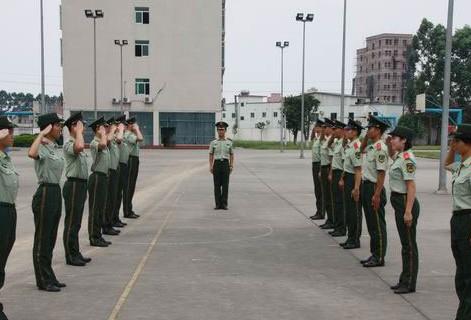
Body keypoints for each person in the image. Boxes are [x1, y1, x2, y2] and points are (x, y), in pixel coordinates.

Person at [28, 113, 66, 292]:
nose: (60, 128)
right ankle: (42, 279)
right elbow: (31, 153)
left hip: (55, 192)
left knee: (50, 237)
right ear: (49, 128)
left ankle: (49, 274)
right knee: (42, 238)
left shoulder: (53, 147)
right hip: (44, 193)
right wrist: (41, 134)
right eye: (58, 125)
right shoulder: (41, 146)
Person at [386, 126, 420, 294]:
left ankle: (409, 282)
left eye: (395, 138)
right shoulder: (399, 156)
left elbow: (411, 186)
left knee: (409, 245)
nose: (392, 140)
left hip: (405, 201)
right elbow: (390, 153)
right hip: (399, 201)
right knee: (405, 244)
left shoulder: (407, 159)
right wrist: (388, 143)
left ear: (404, 140)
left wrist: (408, 211)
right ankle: (404, 279)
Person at [445, 124, 471, 320]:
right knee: (461, 271)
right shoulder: (462, 165)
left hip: (468, 220)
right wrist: (452, 149)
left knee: (468, 272)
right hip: (458, 220)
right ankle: (464, 308)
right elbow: (446, 165)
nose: (453, 144)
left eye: (457, 141)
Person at [62, 112, 92, 267]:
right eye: (81, 124)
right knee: (72, 222)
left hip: (81, 185)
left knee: (77, 222)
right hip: (73, 185)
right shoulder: (68, 143)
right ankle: (70, 255)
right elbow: (79, 147)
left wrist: (79, 133)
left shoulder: (76, 140)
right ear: (73, 126)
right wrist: (79, 132)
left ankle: (76, 251)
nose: (84, 127)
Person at [360, 115, 390, 268]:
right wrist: (367, 135)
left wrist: (377, 194)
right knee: (371, 224)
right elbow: (360, 149)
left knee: (377, 224)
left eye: (370, 128)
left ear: (377, 130)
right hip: (367, 186)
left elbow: (381, 173)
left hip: (374, 188)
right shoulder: (372, 146)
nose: (368, 131)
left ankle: (379, 257)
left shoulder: (380, 149)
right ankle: (374, 253)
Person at [0, 117, 18, 319]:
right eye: (9, 133)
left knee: (2, 260)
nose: (12, 136)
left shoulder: (5, 157)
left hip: (9, 211)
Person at [88, 117, 112, 247]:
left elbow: (108, 141)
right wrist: (103, 133)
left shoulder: (102, 140)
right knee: (95, 209)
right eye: (103, 126)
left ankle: (98, 235)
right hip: (97, 177)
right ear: (98, 128)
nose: (106, 128)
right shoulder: (94, 142)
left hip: (103, 177)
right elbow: (103, 144)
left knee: (100, 209)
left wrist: (106, 133)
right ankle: (93, 236)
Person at [340, 119, 363, 249]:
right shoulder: (350, 145)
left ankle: (355, 239)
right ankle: (350, 237)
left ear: (354, 132)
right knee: (349, 211)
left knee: (355, 212)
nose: (346, 131)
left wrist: (356, 188)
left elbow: (358, 170)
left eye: (348, 130)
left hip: (354, 180)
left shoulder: (356, 147)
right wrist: (343, 178)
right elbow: (347, 166)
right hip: (348, 177)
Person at [102, 117, 122, 236]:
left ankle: (110, 222)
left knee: (113, 198)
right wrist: (112, 130)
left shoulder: (112, 138)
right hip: (109, 171)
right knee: (108, 200)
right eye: (112, 125)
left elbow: (119, 139)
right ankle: (106, 225)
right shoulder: (106, 139)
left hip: (115, 169)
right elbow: (108, 141)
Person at [209, 121, 234, 210]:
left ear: (225, 131)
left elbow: (231, 154)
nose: (220, 131)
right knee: (216, 185)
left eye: (222, 130)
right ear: (217, 131)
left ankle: (224, 204)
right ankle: (217, 204)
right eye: (219, 130)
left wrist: (231, 165)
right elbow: (211, 154)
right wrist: (211, 166)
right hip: (217, 164)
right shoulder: (213, 142)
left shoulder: (229, 142)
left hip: (225, 164)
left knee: (225, 185)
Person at [329, 120, 347, 237]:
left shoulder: (343, 144)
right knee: (335, 201)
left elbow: (345, 163)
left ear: (341, 130)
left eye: (335, 129)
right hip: (335, 173)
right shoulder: (337, 143)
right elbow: (328, 145)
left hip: (340, 173)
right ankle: (337, 226)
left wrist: (342, 178)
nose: (333, 131)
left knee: (340, 202)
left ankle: (341, 228)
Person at [123, 117, 143, 219]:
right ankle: (127, 211)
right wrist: (137, 129)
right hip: (130, 160)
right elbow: (140, 138)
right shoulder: (128, 134)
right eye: (134, 124)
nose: (135, 126)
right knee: (128, 186)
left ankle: (129, 209)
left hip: (134, 160)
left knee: (131, 186)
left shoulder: (131, 134)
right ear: (129, 125)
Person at [319, 118, 335, 229]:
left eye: (326, 127)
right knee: (326, 196)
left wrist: (330, 172)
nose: (323, 129)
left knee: (329, 197)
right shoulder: (326, 140)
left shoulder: (332, 141)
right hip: (324, 168)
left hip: (329, 169)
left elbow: (331, 158)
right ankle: (329, 219)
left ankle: (332, 220)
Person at [114, 115, 128, 227]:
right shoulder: (115, 135)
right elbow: (118, 139)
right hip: (116, 166)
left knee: (119, 195)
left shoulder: (121, 134)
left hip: (122, 166)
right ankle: (112, 219)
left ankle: (115, 217)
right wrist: (120, 129)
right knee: (115, 195)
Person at [310, 120, 324, 220]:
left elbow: (322, 156)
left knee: (320, 190)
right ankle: (318, 211)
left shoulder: (322, 139)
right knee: (317, 190)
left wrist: (320, 170)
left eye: (316, 127)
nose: (314, 128)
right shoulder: (316, 138)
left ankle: (321, 212)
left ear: (320, 128)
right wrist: (313, 132)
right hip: (314, 165)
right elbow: (311, 138)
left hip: (319, 165)